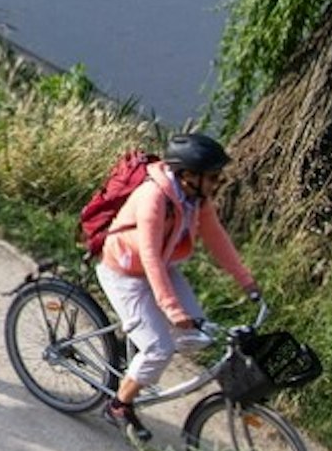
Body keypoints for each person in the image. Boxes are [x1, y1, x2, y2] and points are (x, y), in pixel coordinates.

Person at [96, 130, 254, 435]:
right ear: (188, 175)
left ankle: (137, 359)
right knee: (159, 348)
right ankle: (118, 406)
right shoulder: (153, 197)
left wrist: (247, 283)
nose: (216, 184)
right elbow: (149, 255)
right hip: (125, 271)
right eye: (212, 177)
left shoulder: (196, 200)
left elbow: (217, 240)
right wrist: (171, 310)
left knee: (199, 336)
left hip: (161, 268)